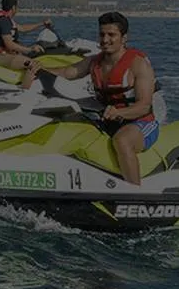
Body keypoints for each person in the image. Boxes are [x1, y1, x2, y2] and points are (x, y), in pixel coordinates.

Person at [24, 12, 160, 185]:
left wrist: (119, 112)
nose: (105, 40)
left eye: (111, 35)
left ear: (124, 38)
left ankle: (135, 193)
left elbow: (144, 106)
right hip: (108, 121)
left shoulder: (138, 64)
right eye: (102, 34)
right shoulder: (94, 62)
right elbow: (66, 72)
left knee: (122, 141)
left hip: (141, 123)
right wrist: (38, 69)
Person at [0, 0, 54, 88]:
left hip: (1, 54)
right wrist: (30, 49)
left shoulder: (3, 18)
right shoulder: (4, 21)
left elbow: (22, 28)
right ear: (14, 7)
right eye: (17, 6)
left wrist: (41, 24)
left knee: (32, 60)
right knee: (34, 64)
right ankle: (24, 91)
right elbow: (9, 44)